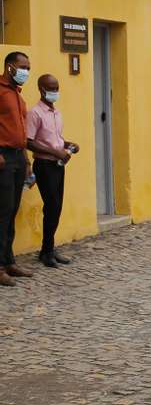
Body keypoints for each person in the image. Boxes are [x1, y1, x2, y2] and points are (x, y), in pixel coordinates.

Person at [26, 74, 79, 268]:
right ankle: (46, 252)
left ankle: (49, 248)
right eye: (51, 88)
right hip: (45, 165)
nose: (55, 92)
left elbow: (55, 138)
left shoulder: (56, 113)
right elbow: (29, 141)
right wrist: (55, 152)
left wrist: (68, 144)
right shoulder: (35, 113)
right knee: (51, 206)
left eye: (57, 88)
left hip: (58, 165)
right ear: (41, 89)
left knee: (56, 208)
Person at [0, 51, 33, 287]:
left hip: (18, 158)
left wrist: (27, 161)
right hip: (3, 159)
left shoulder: (18, 95)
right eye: (23, 67)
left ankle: (8, 260)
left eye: (28, 68)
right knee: (2, 212)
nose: (26, 72)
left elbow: (21, 131)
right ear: (9, 67)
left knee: (12, 211)